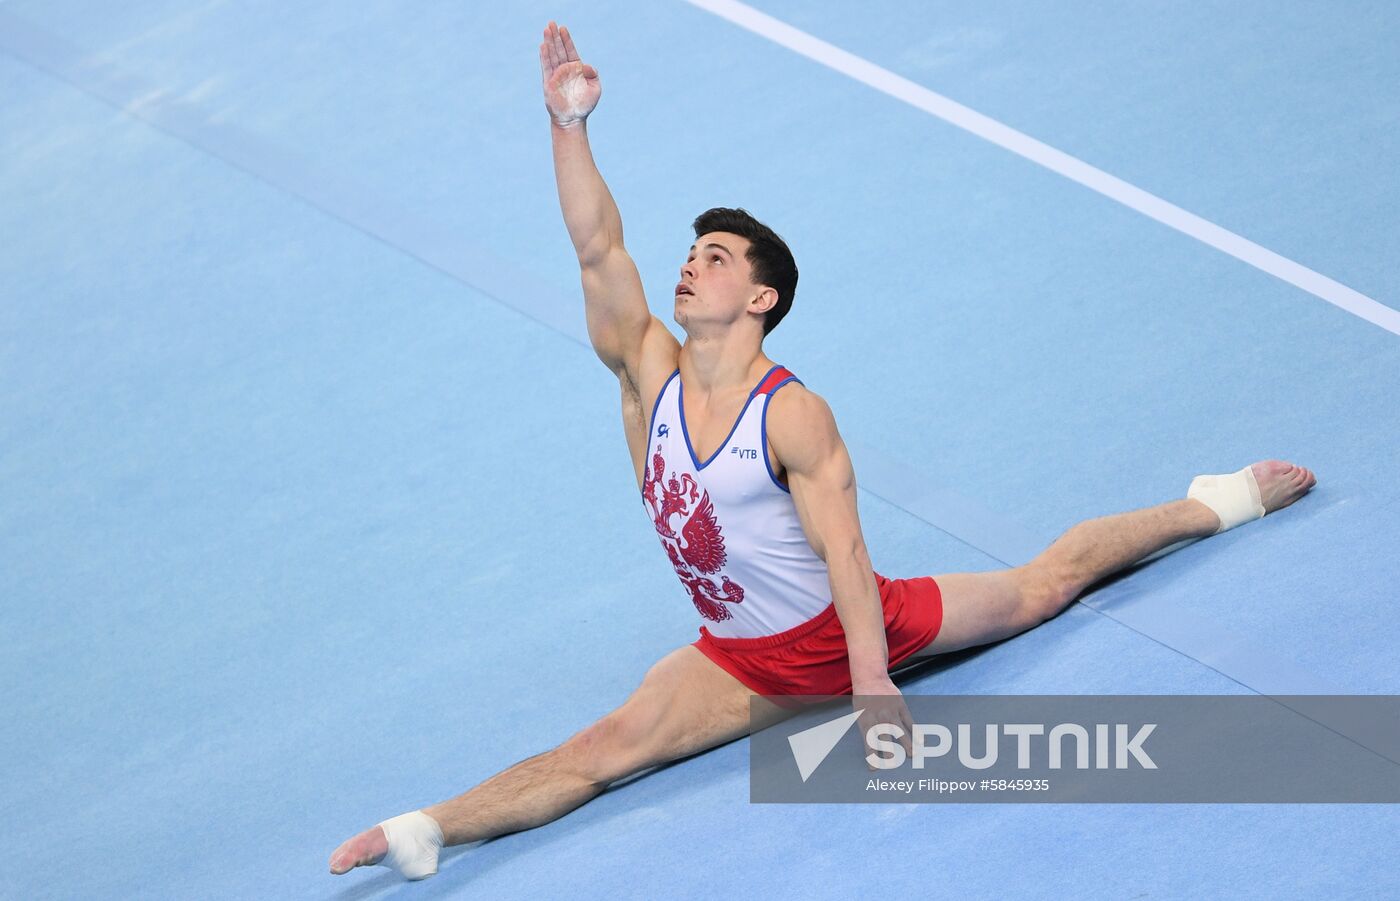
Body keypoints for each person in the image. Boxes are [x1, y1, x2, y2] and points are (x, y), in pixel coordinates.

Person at [329, 21, 1315, 881]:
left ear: (759, 298)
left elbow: (846, 553)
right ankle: (425, 828)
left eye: (714, 257)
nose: (689, 264)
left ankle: (1213, 500)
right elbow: (597, 249)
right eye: (690, 251)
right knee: (600, 750)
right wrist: (568, 126)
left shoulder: (791, 413)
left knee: (1040, 587)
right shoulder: (647, 376)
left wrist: (873, 682)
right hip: (740, 661)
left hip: (846, 634)